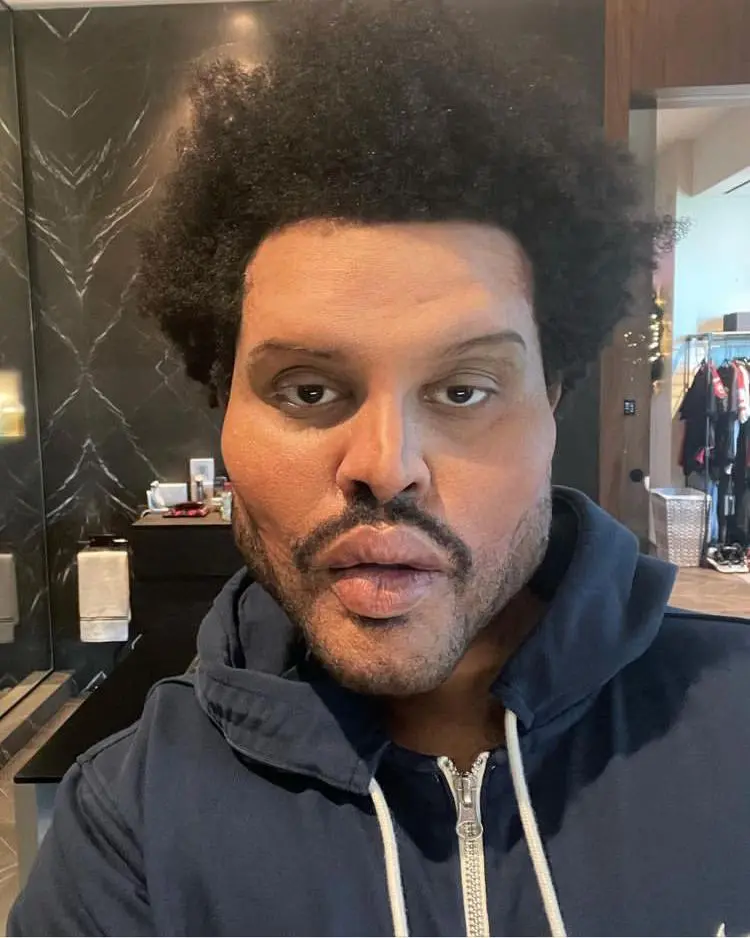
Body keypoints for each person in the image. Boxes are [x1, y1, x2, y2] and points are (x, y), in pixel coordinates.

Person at [10, 2, 750, 936]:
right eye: (309, 390)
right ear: (224, 407)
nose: (385, 468)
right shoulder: (130, 830)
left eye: (465, 390)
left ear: (552, 402)